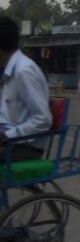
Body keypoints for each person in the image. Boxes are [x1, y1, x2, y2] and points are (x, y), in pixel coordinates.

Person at [0, 16, 53, 162]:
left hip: (24, 148)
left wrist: (7, 137)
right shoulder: (10, 71)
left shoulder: (23, 71)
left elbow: (43, 119)